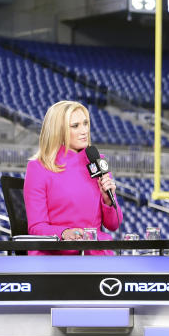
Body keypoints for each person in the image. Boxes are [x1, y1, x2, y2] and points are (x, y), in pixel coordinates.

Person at [23, 100, 122, 255]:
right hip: (55, 257)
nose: (84, 131)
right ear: (58, 130)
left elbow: (114, 225)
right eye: (75, 126)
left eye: (85, 123)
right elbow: (36, 227)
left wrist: (108, 201)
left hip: (95, 256)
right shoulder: (38, 167)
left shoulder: (97, 161)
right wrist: (64, 233)